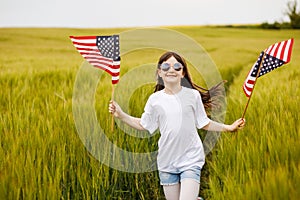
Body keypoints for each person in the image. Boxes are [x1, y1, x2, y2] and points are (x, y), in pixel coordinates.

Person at [109, 51, 245, 200]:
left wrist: (228, 127)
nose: (171, 70)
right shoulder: (155, 99)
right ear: (160, 72)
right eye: (166, 66)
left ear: (183, 73)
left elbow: (203, 123)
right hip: (167, 162)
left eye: (177, 66)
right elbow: (143, 124)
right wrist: (121, 115)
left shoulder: (192, 96)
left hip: (190, 159)